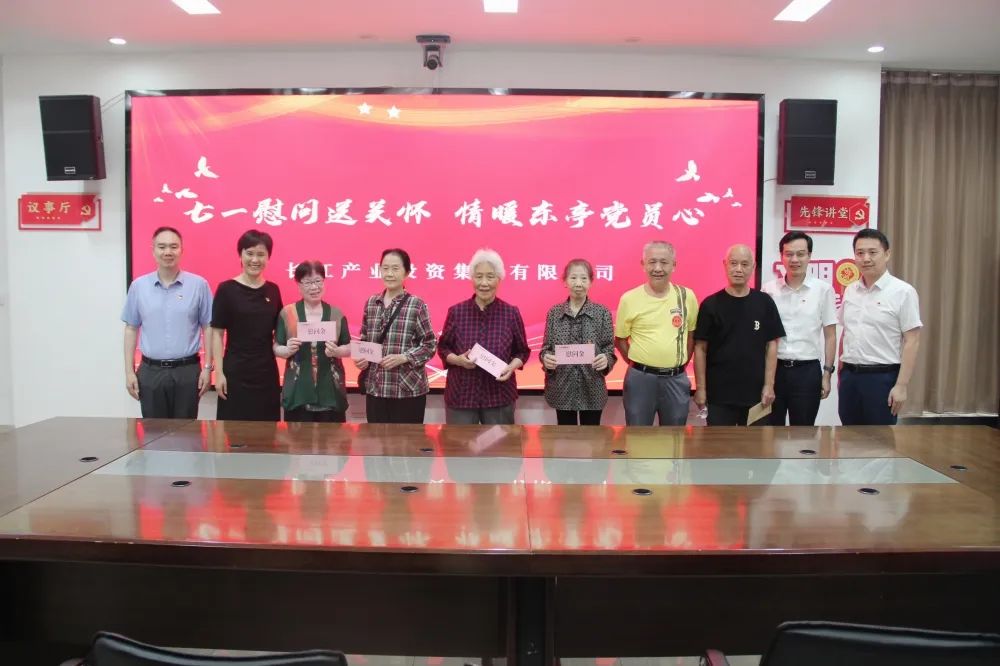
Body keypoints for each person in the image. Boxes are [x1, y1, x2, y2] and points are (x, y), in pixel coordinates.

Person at [121, 226, 213, 418]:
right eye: (162, 247)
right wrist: (129, 371)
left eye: (173, 246)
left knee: (186, 431)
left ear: (182, 250)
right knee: (153, 431)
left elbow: (208, 327)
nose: (168, 252)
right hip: (150, 372)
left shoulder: (199, 285)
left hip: (187, 371)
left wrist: (207, 368)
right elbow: (131, 328)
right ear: (153, 250)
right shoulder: (139, 286)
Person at [694, 245, 785, 426]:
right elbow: (700, 349)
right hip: (719, 395)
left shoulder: (764, 302)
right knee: (720, 443)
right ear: (725, 265)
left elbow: (772, 345)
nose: (738, 269)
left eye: (744, 264)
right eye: (733, 263)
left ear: (753, 266)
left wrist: (769, 385)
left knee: (756, 443)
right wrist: (701, 388)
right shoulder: (710, 305)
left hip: (757, 397)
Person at [838, 229, 922, 425]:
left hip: (881, 378)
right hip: (850, 378)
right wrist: (841, 372)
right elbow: (846, 332)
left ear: (887, 254)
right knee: (849, 436)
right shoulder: (851, 290)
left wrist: (901, 386)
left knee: (879, 439)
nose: (866, 258)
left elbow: (912, 340)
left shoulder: (903, 292)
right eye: (860, 253)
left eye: (872, 252)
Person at [438, 248, 530, 425]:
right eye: (479, 276)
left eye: (490, 276)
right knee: (459, 442)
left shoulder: (510, 313)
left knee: (500, 443)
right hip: (462, 394)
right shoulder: (456, 312)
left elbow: (522, 351)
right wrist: (458, 360)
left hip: (499, 394)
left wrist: (511, 367)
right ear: (472, 278)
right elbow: (443, 348)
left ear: (499, 279)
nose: (484, 283)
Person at [614, 240, 699, 426]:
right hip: (640, 380)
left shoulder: (687, 296)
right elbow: (620, 340)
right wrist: (640, 363)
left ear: (674, 265)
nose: (658, 268)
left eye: (664, 262)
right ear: (643, 264)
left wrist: (679, 363)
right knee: (637, 435)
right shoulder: (629, 298)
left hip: (676, 379)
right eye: (652, 262)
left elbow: (692, 335)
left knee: (675, 436)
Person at [761, 231, 837, 425]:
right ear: (781, 256)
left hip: (807, 372)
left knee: (803, 432)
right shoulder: (768, 290)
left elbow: (830, 336)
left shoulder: (823, 290)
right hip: (775, 370)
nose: (794, 259)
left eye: (800, 254)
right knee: (771, 430)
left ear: (809, 256)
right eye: (789, 254)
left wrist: (827, 374)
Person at [355, 248, 437, 424]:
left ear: (406, 272)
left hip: (407, 390)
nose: (389, 274)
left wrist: (404, 357)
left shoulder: (417, 305)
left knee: (406, 441)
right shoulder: (371, 303)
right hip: (376, 388)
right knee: (375, 440)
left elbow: (430, 345)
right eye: (385, 268)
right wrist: (361, 359)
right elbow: (364, 340)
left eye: (395, 268)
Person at [211, 230, 284, 421]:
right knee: (234, 431)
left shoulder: (273, 290)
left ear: (268, 257)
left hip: (266, 373)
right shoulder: (226, 289)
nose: (255, 259)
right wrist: (218, 373)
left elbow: (281, 331)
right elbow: (217, 333)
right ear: (240, 255)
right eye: (249, 253)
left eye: (261, 254)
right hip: (235, 373)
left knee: (267, 431)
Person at [539, 259, 617, 425]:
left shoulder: (602, 312)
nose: (578, 283)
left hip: (592, 386)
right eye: (573, 278)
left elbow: (609, 348)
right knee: (566, 436)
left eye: (583, 278)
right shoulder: (554, 313)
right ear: (565, 281)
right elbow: (545, 349)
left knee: (592, 436)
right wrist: (546, 359)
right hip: (562, 387)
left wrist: (606, 359)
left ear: (591, 282)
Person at [274, 261, 352, 422]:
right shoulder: (288, 313)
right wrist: (286, 350)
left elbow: (349, 346)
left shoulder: (336, 314)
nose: (314, 287)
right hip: (298, 391)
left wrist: (338, 351)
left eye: (318, 281)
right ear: (298, 285)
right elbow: (276, 346)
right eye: (308, 282)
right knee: (298, 437)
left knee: (332, 436)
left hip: (330, 390)